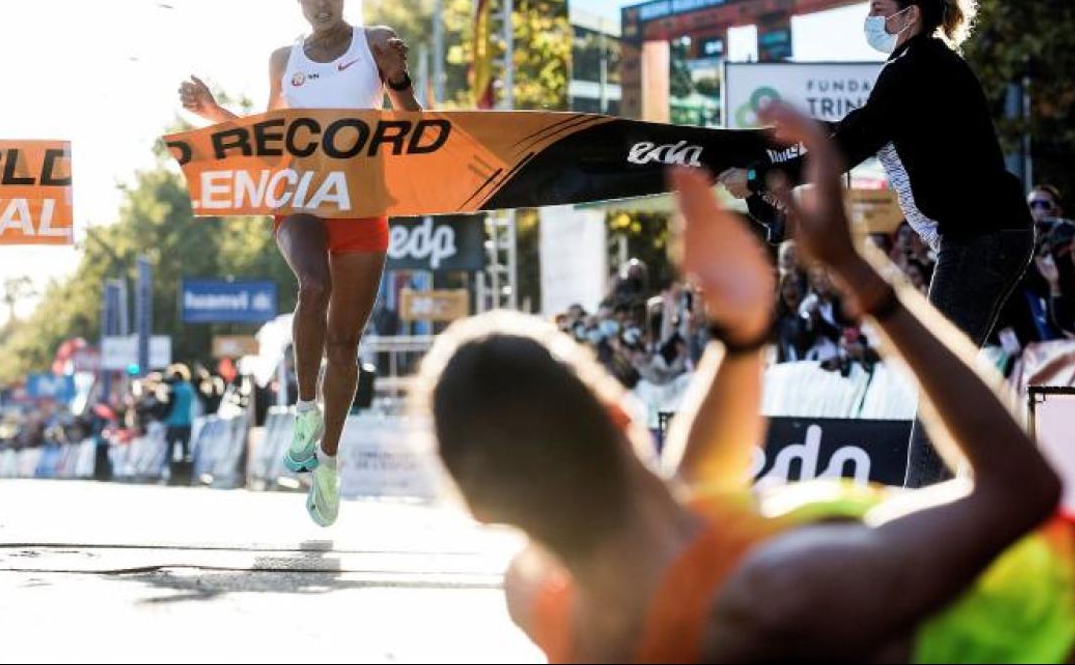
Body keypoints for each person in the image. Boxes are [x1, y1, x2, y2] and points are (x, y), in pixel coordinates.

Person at [414, 103, 1072, 663]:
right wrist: (860, 273)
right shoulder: (783, 590)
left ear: (481, 508)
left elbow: (695, 497)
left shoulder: (543, 598)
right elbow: (1020, 488)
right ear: (622, 413)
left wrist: (739, 333)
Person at [719, 0, 1034, 487]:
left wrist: (759, 176)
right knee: (946, 374)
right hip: (989, 233)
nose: (869, 19)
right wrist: (782, 146)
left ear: (909, 16)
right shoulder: (925, 66)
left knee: (939, 376)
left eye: (877, 10)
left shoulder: (914, 69)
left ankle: (927, 498)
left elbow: (848, 146)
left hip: (983, 237)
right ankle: (957, 489)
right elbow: (854, 131)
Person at [178, 0, 420, 526]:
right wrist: (213, 112)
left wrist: (399, 79)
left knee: (345, 345)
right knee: (312, 286)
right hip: (301, 199)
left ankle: (329, 460)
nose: (321, 2)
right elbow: (267, 136)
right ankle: (304, 406)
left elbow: (414, 125)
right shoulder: (284, 59)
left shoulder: (376, 40)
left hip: (361, 203)